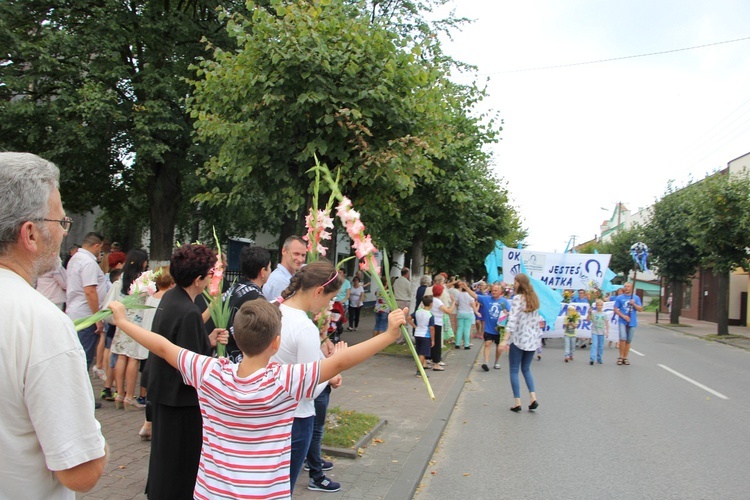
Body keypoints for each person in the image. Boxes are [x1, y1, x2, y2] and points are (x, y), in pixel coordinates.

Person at [109, 291, 406, 499]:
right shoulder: (286, 380)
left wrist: (123, 322)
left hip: (212, 493)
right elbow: (340, 361)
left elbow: (162, 347)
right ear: (276, 343)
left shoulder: (209, 372)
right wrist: (389, 334)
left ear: (236, 337)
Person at [0, 152, 107, 497]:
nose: (64, 233)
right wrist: (100, 448)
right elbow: (80, 471)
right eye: (61, 222)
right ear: (30, 233)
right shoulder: (40, 323)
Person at [145, 244, 228, 499]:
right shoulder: (190, 311)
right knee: (180, 463)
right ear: (198, 279)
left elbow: (179, 345)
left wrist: (208, 340)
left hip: (163, 392)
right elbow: (194, 365)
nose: (208, 282)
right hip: (181, 400)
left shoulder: (171, 298)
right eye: (207, 276)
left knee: (163, 457)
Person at [106, 249, 151, 410]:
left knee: (121, 357)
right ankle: (130, 396)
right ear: (142, 262)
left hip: (121, 322)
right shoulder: (144, 282)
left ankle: (119, 393)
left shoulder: (120, 281)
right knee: (133, 358)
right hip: (136, 325)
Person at [66, 231, 108, 372]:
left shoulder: (75, 258)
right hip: (86, 315)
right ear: (96, 245)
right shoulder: (88, 262)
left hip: (75, 311)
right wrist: (98, 318)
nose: (100, 252)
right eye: (100, 249)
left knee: (76, 357)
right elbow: (90, 291)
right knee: (83, 358)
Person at [500, 273, 541, 413]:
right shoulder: (534, 299)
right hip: (532, 340)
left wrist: (505, 339)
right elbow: (537, 322)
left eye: (516, 282)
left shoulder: (517, 299)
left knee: (514, 370)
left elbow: (512, 320)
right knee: (526, 369)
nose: (514, 285)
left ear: (520, 284)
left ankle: (517, 402)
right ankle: (533, 397)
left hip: (518, 339)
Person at [225, 245, 272, 362]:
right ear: (262, 272)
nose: (271, 271)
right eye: (270, 267)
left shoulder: (234, 289)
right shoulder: (256, 299)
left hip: (224, 353)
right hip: (239, 359)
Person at [468, 283, 509, 371]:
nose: (493, 292)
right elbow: (475, 295)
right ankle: (486, 363)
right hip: (488, 328)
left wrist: (507, 313)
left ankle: (496, 362)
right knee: (487, 344)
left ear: (500, 292)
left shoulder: (504, 301)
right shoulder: (486, 299)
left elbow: (510, 313)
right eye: (492, 290)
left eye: (495, 291)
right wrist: (465, 287)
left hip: (499, 329)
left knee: (498, 347)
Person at [263, 235, 307, 300]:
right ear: (284, 251)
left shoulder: (291, 276)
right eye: (296, 254)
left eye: (303, 255)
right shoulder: (279, 280)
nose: (300, 259)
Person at [614, 281, 643, 366]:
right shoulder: (619, 298)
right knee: (622, 338)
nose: (626, 288)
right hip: (622, 321)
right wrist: (623, 316)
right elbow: (615, 309)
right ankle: (621, 357)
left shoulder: (636, 298)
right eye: (625, 286)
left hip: (632, 321)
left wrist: (634, 304)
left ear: (631, 288)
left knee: (628, 340)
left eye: (628, 286)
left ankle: (625, 357)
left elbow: (640, 309)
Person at [428, 283, 455, 371]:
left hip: (430, 321)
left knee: (431, 341)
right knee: (437, 342)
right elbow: (449, 311)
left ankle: (430, 358)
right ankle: (436, 362)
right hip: (437, 323)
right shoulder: (438, 301)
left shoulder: (431, 299)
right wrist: (453, 302)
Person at [406, 295, 435, 376]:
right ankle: (419, 371)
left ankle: (420, 369)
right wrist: (433, 340)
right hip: (425, 335)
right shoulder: (430, 315)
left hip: (417, 333)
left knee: (419, 352)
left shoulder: (418, 311)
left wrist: (414, 326)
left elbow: (408, 318)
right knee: (423, 353)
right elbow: (432, 328)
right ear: (431, 304)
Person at [454, 281, 478, 350]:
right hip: (468, 312)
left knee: (459, 329)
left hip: (460, 312)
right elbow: (472, 304)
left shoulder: (458, 294)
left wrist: (460, 305)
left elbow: (456, 302)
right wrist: (476, 311)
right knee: (467, 329)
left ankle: (457, 344)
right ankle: (466, 345)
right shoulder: (470, 295)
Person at [589, 298, 609, 365]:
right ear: (596, 306)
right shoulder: (594, 313)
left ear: (602, 306)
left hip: (602, 332)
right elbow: (587, 319)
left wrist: (607, 331)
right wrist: (589, 313)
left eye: (600, 305)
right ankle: (592, 358)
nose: (599, 307)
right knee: (594, 345)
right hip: (595, 331)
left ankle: (599, 358)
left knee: (600, 346)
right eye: (598, 305)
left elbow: (606, 323)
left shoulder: (604, 314)